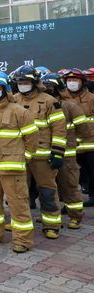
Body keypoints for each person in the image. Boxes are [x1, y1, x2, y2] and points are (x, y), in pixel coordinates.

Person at [0, 70, 39, 253]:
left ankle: (23, 241)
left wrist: (24, 159)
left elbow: (32, 139)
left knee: (18, 205)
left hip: (12, 170)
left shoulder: (19, 112)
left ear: (5, 89)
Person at [11, 65, 67, 239]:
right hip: (19, 156)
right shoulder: (13, 100)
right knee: (19, 192)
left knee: (47, 191)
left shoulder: (49, 101)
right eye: (20, 82)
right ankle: (20, 221)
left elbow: (59, 129)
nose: (23, 85)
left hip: (43, 156)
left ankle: (51, 224)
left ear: (34, 82)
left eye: (26, 82)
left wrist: (57, 152)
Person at [42, 72, 92, 229]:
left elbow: (84, 130)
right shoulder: (41, 106)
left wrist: (71, 140)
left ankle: (75, 216)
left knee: (69, 186)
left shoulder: (69, 106)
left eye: (51, 87)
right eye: (45, 87)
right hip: (45, 153)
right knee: (49, 188)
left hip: (66, 155)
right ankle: (51, 216)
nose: (48, 90)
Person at [59, 68, 94, 208]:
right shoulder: (61, 99)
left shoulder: (91, 98)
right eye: (69, 80)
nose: (72, 83)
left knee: (92, 171)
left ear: (82, 82)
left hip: (90, 142)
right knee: (70, 176)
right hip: (70, 144)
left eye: (75, 80)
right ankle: (69, 203)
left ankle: (92, 195)